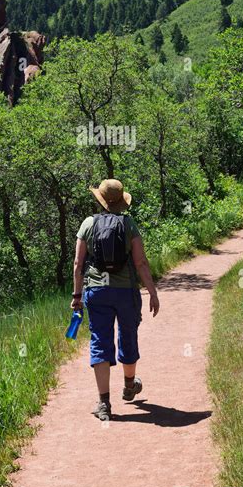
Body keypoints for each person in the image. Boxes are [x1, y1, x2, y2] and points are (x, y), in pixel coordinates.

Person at [71, 178, 160, 420]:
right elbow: (141, 262)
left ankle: (104, 404)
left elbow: (78, 264)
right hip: (125, 291)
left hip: (97, 291)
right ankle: (130, 385)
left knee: (100, 340)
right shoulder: (128, 224)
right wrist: (152, 291)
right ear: (121, 201)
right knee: (127, 335)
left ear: (100, 200)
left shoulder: (88, 224)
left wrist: (77, 295)